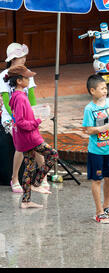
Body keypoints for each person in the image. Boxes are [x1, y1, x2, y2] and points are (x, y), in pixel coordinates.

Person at [5, 65, 58, 208]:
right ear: (19, 81)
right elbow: (22, 122)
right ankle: (36, 183)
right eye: (26, 77)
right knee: (53, 154)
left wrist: (38, 112)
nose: (29, 79)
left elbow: (22, 117)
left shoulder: (17, 96)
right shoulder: (20, 98)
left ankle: (26, 201)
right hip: (29, 137)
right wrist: (38, 121)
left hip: (23, 137)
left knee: (29, 166)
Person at [0, 43, 50, 193]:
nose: (24, 59)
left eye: (24, 56)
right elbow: (6, 101)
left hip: (28, 115)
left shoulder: (27, 73)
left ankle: (42, 178)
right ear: (13, 58)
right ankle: (15, 178)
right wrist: (17, 118)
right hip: (11, 117)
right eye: (21, 56)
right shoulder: (3, 76)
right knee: (24, 144)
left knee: (36, 144)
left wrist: (35, 114)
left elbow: (32, 97)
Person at [82, 75, 109, 224]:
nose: (105, 91)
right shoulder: (89, 109)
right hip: (96, 151)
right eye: (102, 88)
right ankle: (98, 212)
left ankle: (106, 207)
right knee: (97, 179)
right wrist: (106, 127)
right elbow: (88, 130)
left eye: (106, 88)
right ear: (92, 91)